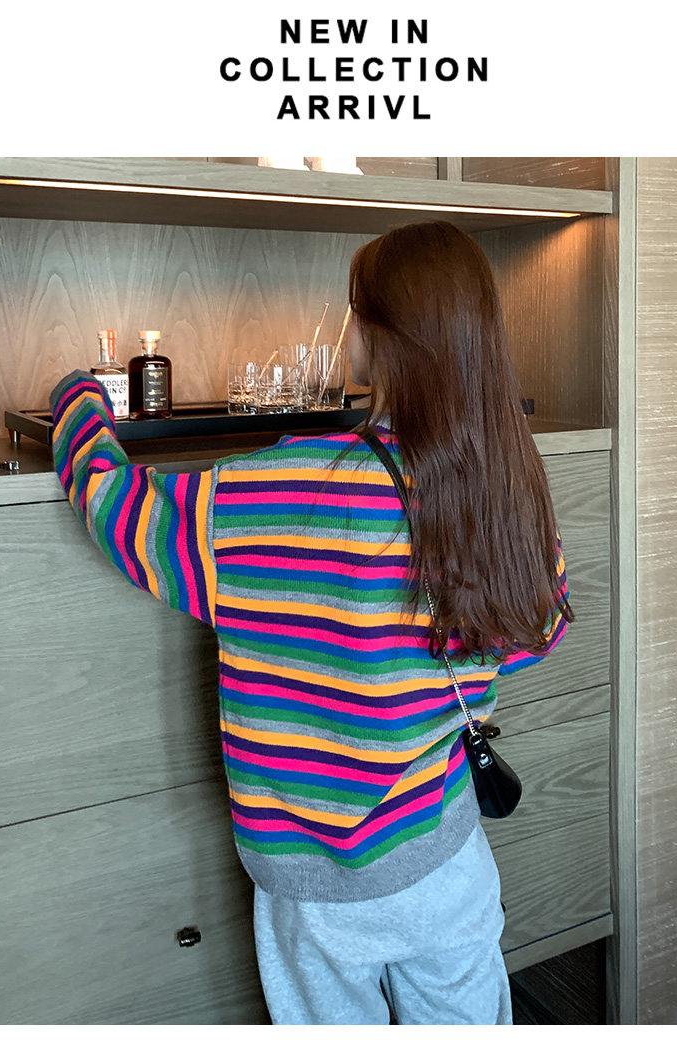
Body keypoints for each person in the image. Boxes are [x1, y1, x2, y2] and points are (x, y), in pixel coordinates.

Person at [49, 219, 573, 1025]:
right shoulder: (502, 486)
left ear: (380, 336)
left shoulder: (269, 491)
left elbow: (116, 507)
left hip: (311, 888)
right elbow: (536, 631)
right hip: (444, 858)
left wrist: (78, 400)